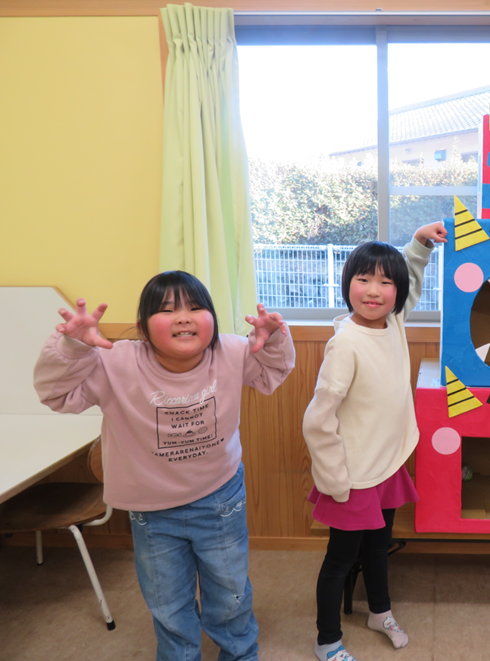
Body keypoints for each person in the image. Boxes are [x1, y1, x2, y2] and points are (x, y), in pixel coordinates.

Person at [33, 271, 295, 661]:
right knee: (167, 601)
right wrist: (72, 348)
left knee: (230, 592)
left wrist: (273, 340)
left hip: (220, 498)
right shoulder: (114, 361)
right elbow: (56, 394)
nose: (183, 316)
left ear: (213, 320)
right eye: (168, 310)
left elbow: (272, 372)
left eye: (196, 307)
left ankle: (240, 653)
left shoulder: (232, 351)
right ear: (142, 329)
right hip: (152, 509)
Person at [303, 222, 447, 661]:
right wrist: (334, 477)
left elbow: (411, 278)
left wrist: (419, 243)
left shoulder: (394, 322)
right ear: (348, 283)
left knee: (379, 547)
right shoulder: (346, 343)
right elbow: (317, 420)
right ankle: (327, 640)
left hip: (386, 464)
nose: (373, 290)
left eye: (385, 283)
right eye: (363, 279)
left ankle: (379, 612)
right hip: (353, 474)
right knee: (340, 560)